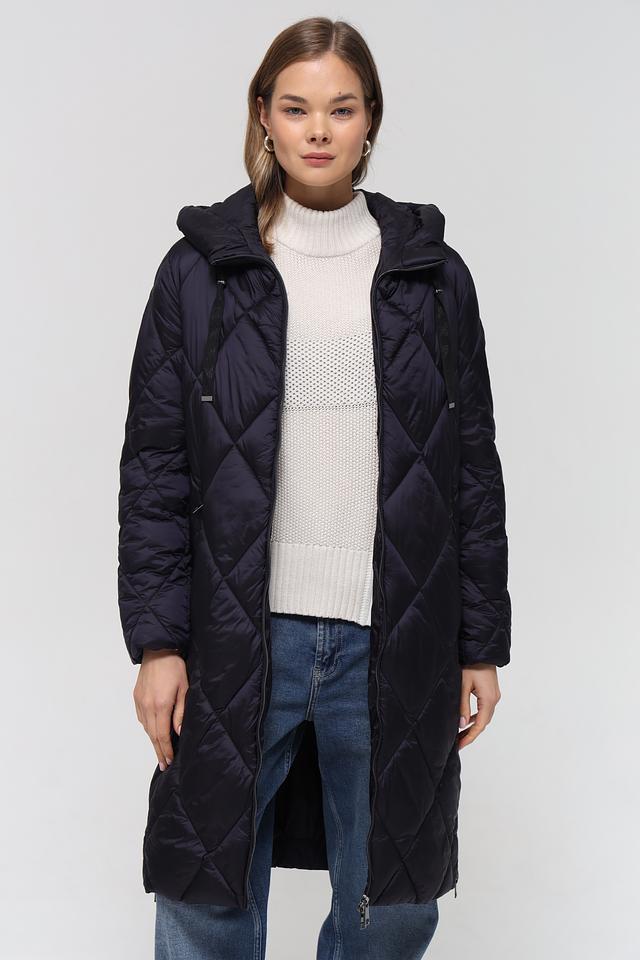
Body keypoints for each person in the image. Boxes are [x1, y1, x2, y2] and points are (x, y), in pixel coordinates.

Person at [117, 16, 511, 960]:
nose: (319, 130)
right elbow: (156, 468)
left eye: (342, 108)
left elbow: (471, 467)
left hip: (394, 634)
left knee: (394, 898)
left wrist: (478, 643)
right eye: (296, 108)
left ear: (371, 119)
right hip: (238, 634)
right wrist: (159, 643)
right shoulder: (199, 273)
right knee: (205, 892)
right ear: (264, 115)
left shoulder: (433, 277)